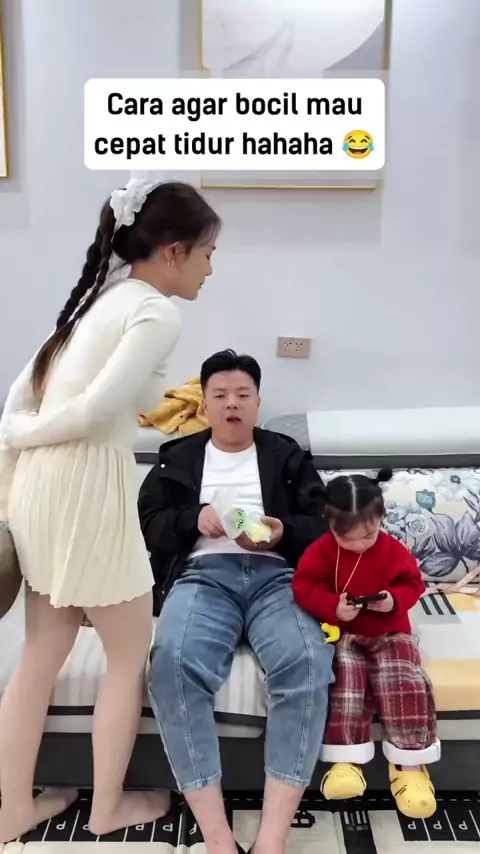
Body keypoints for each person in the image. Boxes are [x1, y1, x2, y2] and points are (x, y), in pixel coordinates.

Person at [0, 178, 220, 843]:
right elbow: (93, 415)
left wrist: (22, 434)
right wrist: (25, 433)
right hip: (85, 491)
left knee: (41, 654)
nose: (212, 268)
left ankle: (12, 808)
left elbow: (25, 394)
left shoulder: (100, 296)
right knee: (129, 655)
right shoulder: (155, 312)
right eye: (208, 253)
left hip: (42, 488)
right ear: (174, 251)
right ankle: (106, 811)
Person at [139, 349, 334, 854]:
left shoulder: (286, 455)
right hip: (203, 576)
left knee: (308, 659)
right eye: (221, 395)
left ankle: (272, 839)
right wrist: (193, 519)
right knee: (171, 662)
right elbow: (149, 523)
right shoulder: (177, 457)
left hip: (278, 576)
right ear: (205, 403)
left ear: (257, 402)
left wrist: (282, 531)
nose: (232, 404)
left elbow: (324, 525)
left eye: (242, 394)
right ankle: (218, 837)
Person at [293, 470, 441, 820]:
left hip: (390, 631)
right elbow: (304, 588)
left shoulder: (393, 550)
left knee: (404, 681)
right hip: (344, 634)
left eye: (369, 535)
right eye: (349, 539)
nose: (360, 545)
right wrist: (332, 606)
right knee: (345, 682)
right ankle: (345, 762)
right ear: (330, 525)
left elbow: (414, 584)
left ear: (381, 520)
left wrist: (392, 600)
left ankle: (410, 767)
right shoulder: (320, 552)